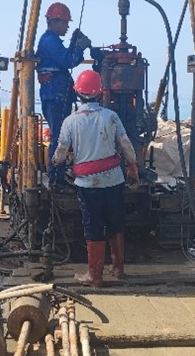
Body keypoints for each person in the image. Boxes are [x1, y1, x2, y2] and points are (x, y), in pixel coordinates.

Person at [52, 70, 139, 286]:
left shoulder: (70, 121)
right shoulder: (111, 116)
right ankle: (118, 269)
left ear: (77, 94)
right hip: (114, 180)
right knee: (116, 222)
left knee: (93, 226)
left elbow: (61, 153)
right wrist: (133, 167)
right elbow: (125, 144)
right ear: (100, 93)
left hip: (87, 184)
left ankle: (95, 276)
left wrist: (55, 163)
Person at [35, 2, 90, 184]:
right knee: (59, 137)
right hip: (55, 96)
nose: (67, 27)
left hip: (56, 95)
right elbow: (68, 61)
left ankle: (57, 175)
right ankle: (56, 178)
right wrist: (79, 47)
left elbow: (63, 59)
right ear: (55, 21)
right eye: (65, 23)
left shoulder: (51, 40)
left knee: (61, 135)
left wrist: (74, 44)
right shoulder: (50, 41)